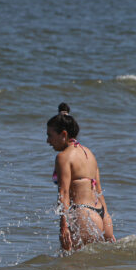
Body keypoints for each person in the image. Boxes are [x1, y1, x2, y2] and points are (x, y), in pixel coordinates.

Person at [46, 104, 115, 251]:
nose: (48, 141)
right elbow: (99, 190)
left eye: (50, 135)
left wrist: (63, 226)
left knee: (70, 268)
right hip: (100, 215)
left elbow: (63, 193)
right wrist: (107, 220)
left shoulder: (63, 157)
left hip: (82, 215)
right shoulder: (89, 153)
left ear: (63, 135)